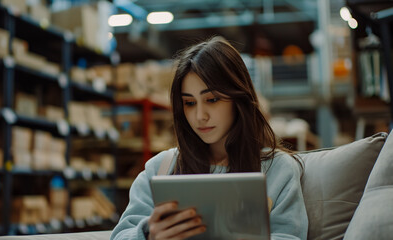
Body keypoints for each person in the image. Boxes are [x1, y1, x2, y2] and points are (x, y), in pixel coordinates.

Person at [111, 36, 308, 240]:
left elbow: (289, 236)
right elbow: (120, 235)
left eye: (212, 100)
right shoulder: (159, 169)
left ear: (238, 98)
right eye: (189, 103)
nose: (200, 116)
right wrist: (148, 234)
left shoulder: (278, 170)